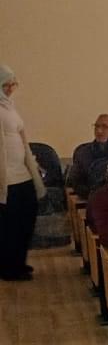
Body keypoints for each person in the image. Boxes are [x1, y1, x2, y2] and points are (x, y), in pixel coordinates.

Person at [0, 65, 46, 281]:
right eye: (5, 85)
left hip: (22, 174)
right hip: (6, 179)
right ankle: (8, 267)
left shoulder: (9, 108)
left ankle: (19, 262)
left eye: (13, 84)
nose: (10, 89)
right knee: (9, 225)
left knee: (26, 219)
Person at [67, 113, 108, 197]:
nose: (99, 131)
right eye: (96, 126)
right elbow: (76, 182)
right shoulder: (82, 152)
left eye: (105, 127)